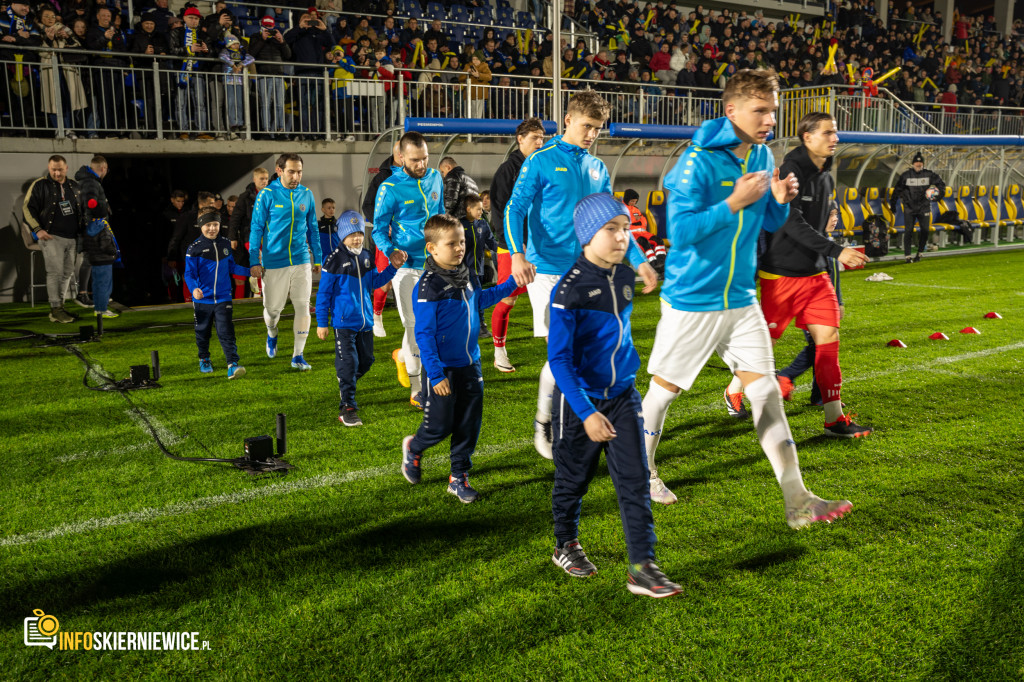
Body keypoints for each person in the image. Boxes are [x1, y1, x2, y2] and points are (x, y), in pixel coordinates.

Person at [639, 69, 852, 529]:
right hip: (693, 300)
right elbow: (681, 231)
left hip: (740, 297)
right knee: (663, 393)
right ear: (731, 110)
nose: (770, 118)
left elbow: (770, 221)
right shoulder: (696, 162)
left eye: (773, 109)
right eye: (760, 109)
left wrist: (776, 198)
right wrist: (732, 202)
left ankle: (798, 500)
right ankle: (644, 472)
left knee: (767, 392)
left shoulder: (760, 153)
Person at [504, 91, 657, 460]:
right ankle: (544, 421)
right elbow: (515, 207)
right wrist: (517, 254)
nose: (592, 135)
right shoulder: (540, 160)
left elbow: (613, 219)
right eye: (587, 126)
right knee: (564, 352)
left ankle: (577, 418)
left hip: (589, 269)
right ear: (568, 120)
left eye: (598, 129)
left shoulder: (597, 167)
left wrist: (639, 261)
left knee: (587, 350)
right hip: (545, 270)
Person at [547, 193, 681, 598]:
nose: (622, 237)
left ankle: (643, 566)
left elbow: (634, 257)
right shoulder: (568, 290)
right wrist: (586, 413)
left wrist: (642, 264)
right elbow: (559, 360)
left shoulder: (624, 276)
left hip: (623, 396)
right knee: (574, 479)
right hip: (580, 403)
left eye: (625, 229)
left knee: (635, 480)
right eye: (611, 229)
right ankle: (564, 543)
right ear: (588, 235)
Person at [735, 111, 871, 438]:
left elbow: (819, 218)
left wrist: (829, 240)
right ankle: (734, 389)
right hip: (780, 276)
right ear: (807, 137)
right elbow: (790, 222)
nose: (834, 138)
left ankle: (834, 418)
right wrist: (837, 250)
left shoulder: (825, 173)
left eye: (835, 133)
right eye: (828, 133)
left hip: (815, 276)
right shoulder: (790, 170)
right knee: (760, 347)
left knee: (828, 341)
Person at [399, 215, 521, 502]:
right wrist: (436, 374)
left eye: (462, 242)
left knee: (469, 423)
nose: (459, 248)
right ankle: (415, 448)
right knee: (439, 427)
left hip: (471, 364)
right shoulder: (429, 287)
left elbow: (479, 300)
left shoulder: (465, 273)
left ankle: (458, 477)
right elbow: (425, 334)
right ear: (431, 248)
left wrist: (514, 282)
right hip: (443, 370)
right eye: (451, 243)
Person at [371, 132, 445, 408]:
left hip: (436, 265)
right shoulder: (389, 187)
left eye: (425, 158)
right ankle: (416, 390)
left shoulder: (436, 177)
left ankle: (403, 356)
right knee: (414, 326)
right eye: (415, 160)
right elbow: (378, 229)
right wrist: (390, 251)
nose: (422, 164)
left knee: (434, 325)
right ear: (401, 157)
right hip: (407, 269)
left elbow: (440, 215)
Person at [316, 211, 405, 426]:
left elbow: (374, 281)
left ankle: (346, 381)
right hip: (344, 323)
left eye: (359, 233)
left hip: (365, 322)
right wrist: (321, 322)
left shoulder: (366, 255)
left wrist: (393, 268)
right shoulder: (333, 260)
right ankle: (347, 407)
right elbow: (324, 294)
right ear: (343, 235)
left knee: (366, 361)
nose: (357, 237)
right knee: (349, 362)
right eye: (352, 234)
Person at [249, 153, 323, 371]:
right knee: (273, 311)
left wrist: (317, 256)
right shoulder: (267, 195)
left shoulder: (306, 194)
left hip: (301, 259)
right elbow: (256, 229)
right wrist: (255, 260)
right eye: (291, 171)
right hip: (274, 261)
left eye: (299, 171)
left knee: (302, 306)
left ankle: (298, 355)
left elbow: (313, 229)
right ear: (279, 170)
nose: (296, 176)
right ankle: (272, 333)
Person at [489, 117, 545, 373]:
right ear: (520, 139)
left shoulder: (542, 165)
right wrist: (513, 245)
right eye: (534, 138)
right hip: (512, 247)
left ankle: (558, 351)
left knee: (549, 297)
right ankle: (499, 350)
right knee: (507, 299)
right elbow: (498, 211)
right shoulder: (506, 170)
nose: (539, 142)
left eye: (542, 138)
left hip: (539, 245)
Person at [184, 210, 250, 378]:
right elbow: (189, 274)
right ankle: (204, 359)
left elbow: (232, 267)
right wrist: (194, 289)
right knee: (202, 331)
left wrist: (251, 272)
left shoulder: (226, 244)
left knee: (226, 330)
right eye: (208, 225)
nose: (212, 228)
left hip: (223, 297)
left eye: (215, 225)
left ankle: (232, 364)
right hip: (202, 300)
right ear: (201, 226)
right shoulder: (194, 248)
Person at [23, 155, 84, 323]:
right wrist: (38, 230)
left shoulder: (74, 186)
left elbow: (83, 209)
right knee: (54, 273)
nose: (57, 173)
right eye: (53, 169)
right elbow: (27, 208)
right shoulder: (40, 185)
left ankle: (59, 308)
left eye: (60, 169)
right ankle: (56, 308)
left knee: (66, 273)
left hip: (72, 237)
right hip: (51, 237)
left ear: (66, 168)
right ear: (49, 168)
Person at [362, 141, 402, 338]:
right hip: (387, 238)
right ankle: (376, 316)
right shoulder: (382, 177)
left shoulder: (417, 175)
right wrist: (383, 223)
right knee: (385, 280)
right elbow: (367, 205)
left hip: (409, 237)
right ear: (400, 155)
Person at [889, 151, 946, 263]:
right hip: (909, 208)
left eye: (920, 164)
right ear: (913, 164)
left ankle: (920, 253)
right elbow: (896, 190)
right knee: (908, 231)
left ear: (923, 164)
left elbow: (941, 185)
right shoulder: (905, 176)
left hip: (924, 207)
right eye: (916, 163)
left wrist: (937, 197)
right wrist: (893, 205)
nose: (918, 165)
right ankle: (908, 256)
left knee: (925, 230)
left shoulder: (929, 175)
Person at [169, 6, 214, 139]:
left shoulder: (203, 35)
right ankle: (183, 131)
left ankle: (201, 131)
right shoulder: (176, 32)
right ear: (184, 18)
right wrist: (189, 49)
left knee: (200, 103)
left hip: (198, 71)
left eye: (196, 19)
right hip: (181, 71)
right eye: (191, 18)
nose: (194, 21)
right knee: (181, 102)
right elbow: (172, 50)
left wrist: (207, 51)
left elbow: (211, 52)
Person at [73, 155, 110, 310]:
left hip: (90, 226)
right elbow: (90, 205)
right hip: (92, 228)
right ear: (103, 168)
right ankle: (82, 294)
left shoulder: (86, 181)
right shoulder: (91, 183)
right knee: (90, 259)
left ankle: (89, 293)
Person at [248, 16, 291, 138]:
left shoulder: (278, 39)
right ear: (261, 25)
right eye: (267, 27)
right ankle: (266, 130)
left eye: (271, 27)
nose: (269, 29)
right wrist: (262, 39)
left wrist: (282, 41)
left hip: (278, 74)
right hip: (264, 74)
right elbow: (251, 54)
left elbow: (288, 55)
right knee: (265, 104)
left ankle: (281, 130)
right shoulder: (255, 37)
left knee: (279, 104)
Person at [229, 167, 269, 298]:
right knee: (258, 256)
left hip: (268, 236)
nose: (264, 181)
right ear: (254, 179)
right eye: (261, 179)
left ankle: (262, 293)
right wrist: (232, 237)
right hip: (249, 235)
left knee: (268, 264)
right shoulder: (245, 197)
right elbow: (235, 218)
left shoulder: (271, 194)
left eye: (266, 179)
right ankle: (257, 292)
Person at [622, 188, 666, 274]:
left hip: (643, 233)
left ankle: (661, 264)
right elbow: (627, 221)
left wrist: (637, 220)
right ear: (627, 199)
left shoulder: (636, 209)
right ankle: (654, 267)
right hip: (632, 235)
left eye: (635, 201)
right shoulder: (622, 209)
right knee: (645, 243)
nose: (634, 203)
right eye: (632, 201)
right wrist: (637, 220)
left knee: (658, 241)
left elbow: (643, 221)